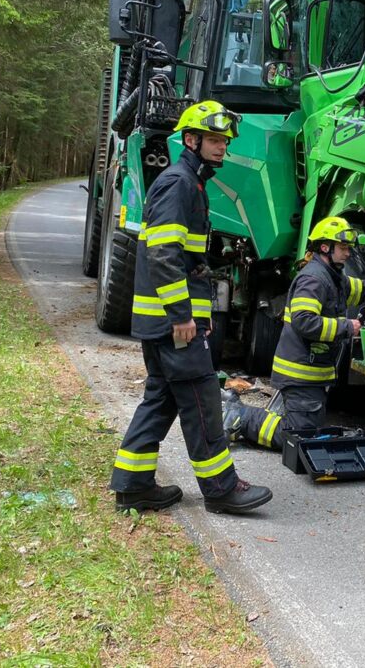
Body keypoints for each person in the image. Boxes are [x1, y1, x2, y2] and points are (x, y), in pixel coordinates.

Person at [110, 100, 273, 515]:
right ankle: (221, 489)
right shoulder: (179, 183)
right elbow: (163, 254)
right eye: (214, 140)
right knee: (202, 399)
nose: (221, 147)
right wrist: (182, 316)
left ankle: (133, 486)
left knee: (161, 398)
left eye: (224, 140)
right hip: (173, 324)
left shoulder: (191, 183)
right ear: (191, 140)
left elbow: (181, 253)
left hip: (164, 322)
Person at [224, 216, 365, 450]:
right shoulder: (314, 279)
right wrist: (346, 327)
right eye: (343, 248)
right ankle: (239, 417)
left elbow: (361, 288)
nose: (348, 253)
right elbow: (304, 322)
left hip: (310, 372)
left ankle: (246, 416)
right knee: (298, 437)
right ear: (325, 247)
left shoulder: (332, 276)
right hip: (300, 373)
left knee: (308, 431)